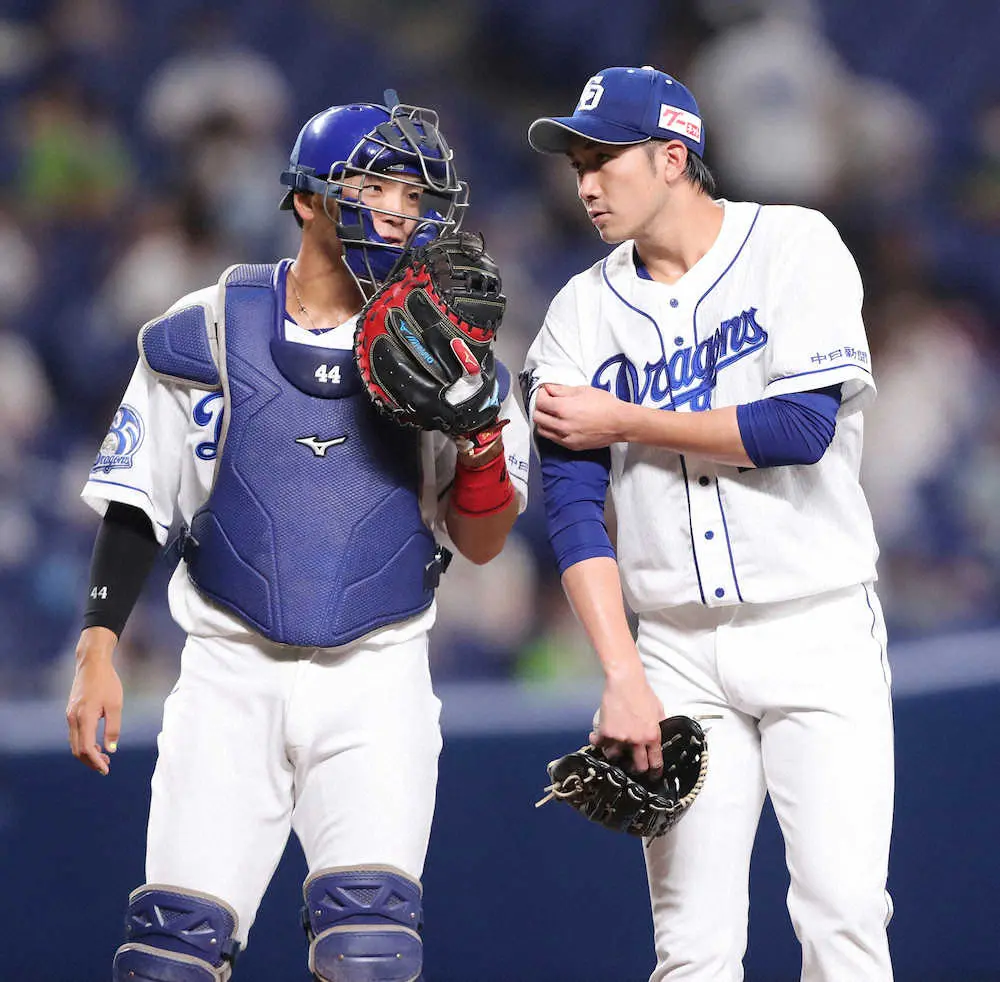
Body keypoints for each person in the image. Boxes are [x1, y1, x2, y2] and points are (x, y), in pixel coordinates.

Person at [65, 96, 530, 982]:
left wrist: (478, 445)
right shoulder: (205, 324)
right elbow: (137, 499)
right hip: (225, 676)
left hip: (377, 679)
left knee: (370, 956)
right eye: (377, 185)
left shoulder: (450, 344)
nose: (400, 210)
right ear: (307, 198)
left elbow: (482, 542)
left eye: (415, 194)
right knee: (170, 958)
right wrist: (97, 648)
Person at [522, 66, 892, 981]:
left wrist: (627, 421)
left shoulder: (795, 246)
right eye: (579, 162)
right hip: (678, 651)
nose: (587, 182)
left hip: (817, 627)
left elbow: (798, 429)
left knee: (843, 917)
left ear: (674, 156)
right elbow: (571, 509)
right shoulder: (576, 313)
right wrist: (621, 674)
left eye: (606, 157)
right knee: (692, 951)